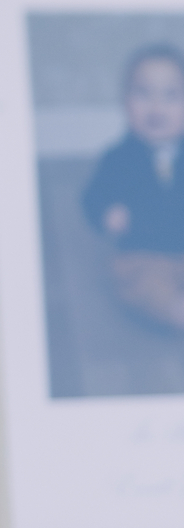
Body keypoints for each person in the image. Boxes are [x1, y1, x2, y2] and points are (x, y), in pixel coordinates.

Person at [81, 43, 184, 330]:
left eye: (171, 95)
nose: (156, 107)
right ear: (126, 102)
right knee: (140, 283)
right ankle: (174, 309)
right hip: (142, 252)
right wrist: (106, 213)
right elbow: (93, 196)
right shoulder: (118, 158)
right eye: (143, 93)